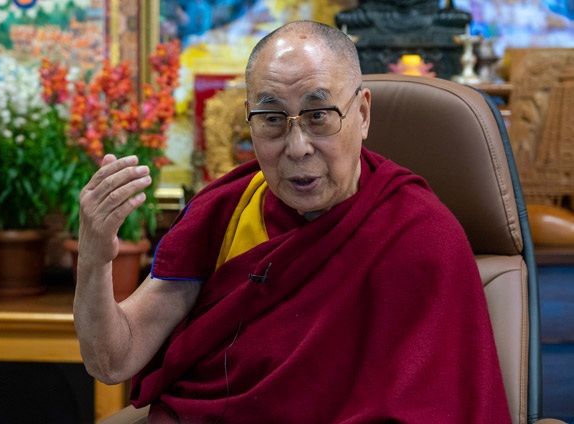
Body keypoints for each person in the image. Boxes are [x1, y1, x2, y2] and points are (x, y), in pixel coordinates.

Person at [74, 20, 511, 423]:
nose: (297, 146)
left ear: (361, 114)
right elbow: (113, 360)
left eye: (319, 116)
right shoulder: (229, 211)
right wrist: (94, 262)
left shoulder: (421, 236)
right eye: (272, 120)